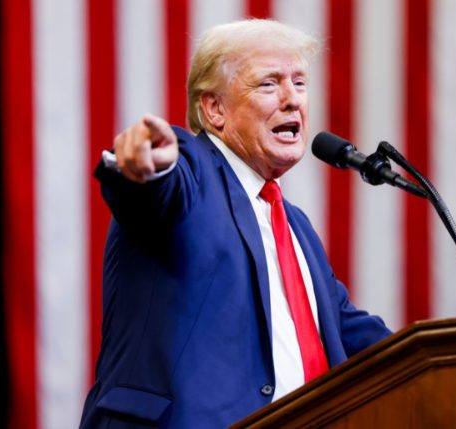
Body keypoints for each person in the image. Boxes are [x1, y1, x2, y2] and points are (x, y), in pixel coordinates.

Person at [80, 19, 392, 428]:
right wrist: (146, 170)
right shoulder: (192, 171)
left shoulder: (294, 227)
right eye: (269, 84)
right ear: (214, 110)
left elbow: (351, 331)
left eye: (299, 83)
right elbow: (156, 193)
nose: (292, 99)